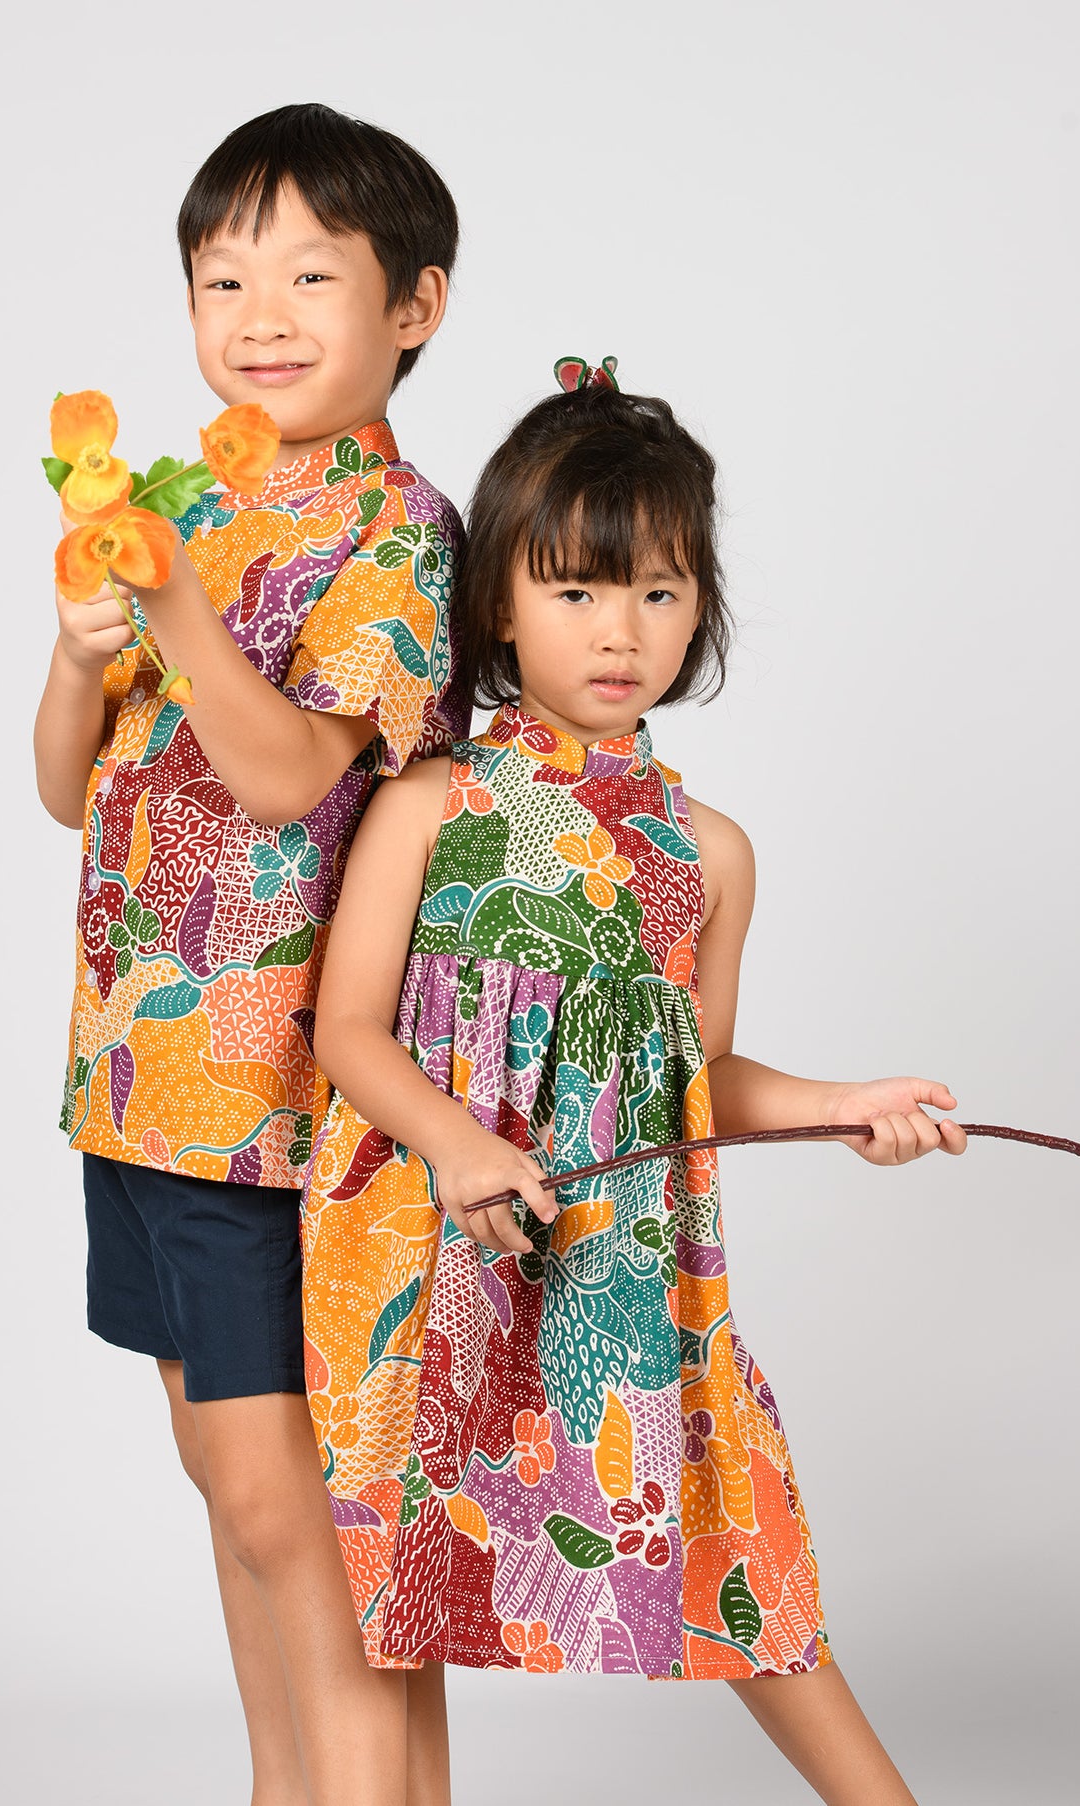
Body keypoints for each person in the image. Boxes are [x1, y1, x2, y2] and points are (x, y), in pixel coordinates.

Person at [301, 365, 967, 1806]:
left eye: (659, 593)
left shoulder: (705, 851)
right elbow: (349, 1030)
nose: (621, 631)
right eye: (578, 590)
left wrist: (844, 1101)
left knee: (743, 1550)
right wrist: (458, 1147)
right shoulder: (428, 806)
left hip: (626, 1269)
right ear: (497, 606)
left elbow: (699, 1075)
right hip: (430, 1257)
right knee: (391, 1590)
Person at [33, 103, 463, 1806]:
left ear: (413, 306)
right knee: (236, 1498)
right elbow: (72, 785)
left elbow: (291, 776)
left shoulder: (397, 527)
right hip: (137, 1082)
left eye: (307, 272)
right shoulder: (183, 494)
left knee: (311, 1520)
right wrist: (84, 645)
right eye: (224, 277)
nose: (259, 312)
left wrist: (181, 610)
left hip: (281, 1098)